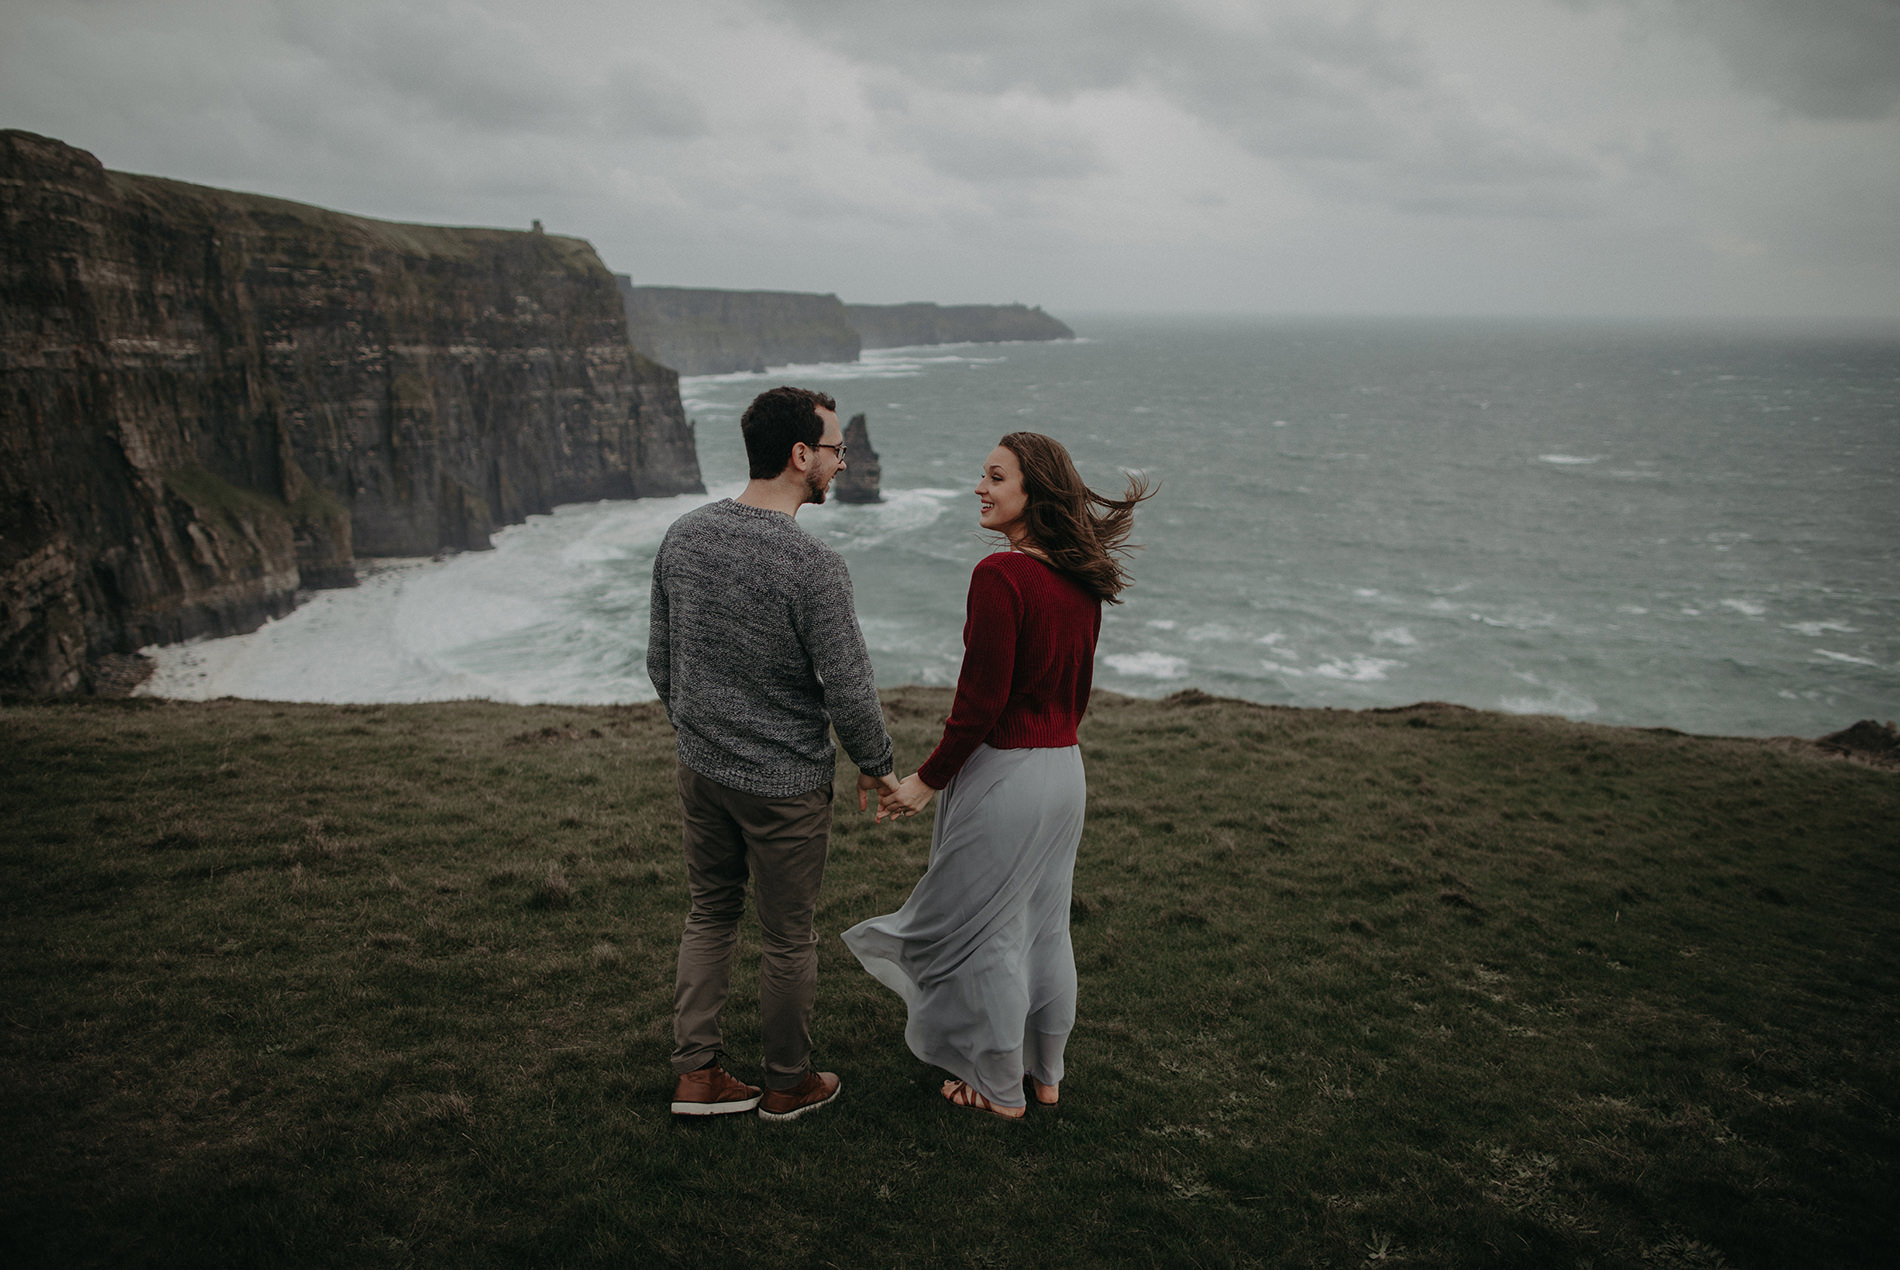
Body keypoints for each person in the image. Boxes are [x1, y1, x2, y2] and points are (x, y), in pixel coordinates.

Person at [844, 432, 1153, 1119]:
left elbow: (980, 702)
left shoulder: (1002, 576)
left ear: (1032, 493)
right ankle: (1045, 1076)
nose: (979, 488)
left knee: (991, 935)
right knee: (1044, 928)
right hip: (1064, 773)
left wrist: (925, 781)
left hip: (1007, 776)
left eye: (994, 477)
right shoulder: (1083, 576)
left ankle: (998, 1089)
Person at [648, 385, 899, 1121]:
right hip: (784, 785)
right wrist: (879, 766)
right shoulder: (812, 565)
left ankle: (696, 1075)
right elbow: (850, 691)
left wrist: (698, 732)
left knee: (710, 915)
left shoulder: (684, 536)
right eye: (834, 451)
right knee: (788, 937)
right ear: (800, 456)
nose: (842, 464)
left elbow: (662, 661)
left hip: (701, 769)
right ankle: (788, 1085)